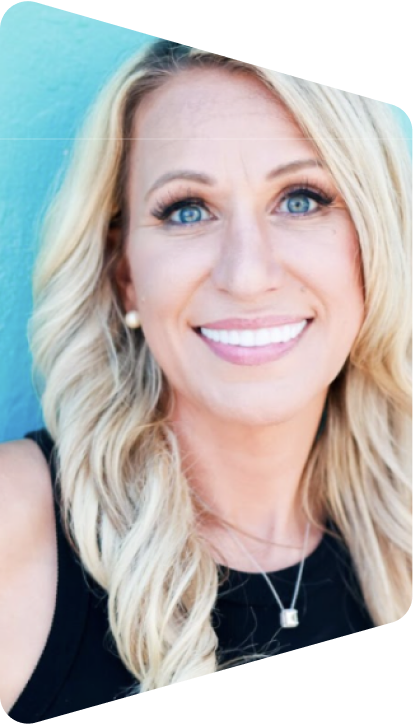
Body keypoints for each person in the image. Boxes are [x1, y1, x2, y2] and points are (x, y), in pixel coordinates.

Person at [1, 39, 412, 717]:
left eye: (301, 199)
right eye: (187, 209)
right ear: (125, 274)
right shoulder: (12, 526)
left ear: (373, 246)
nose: (246, 275)